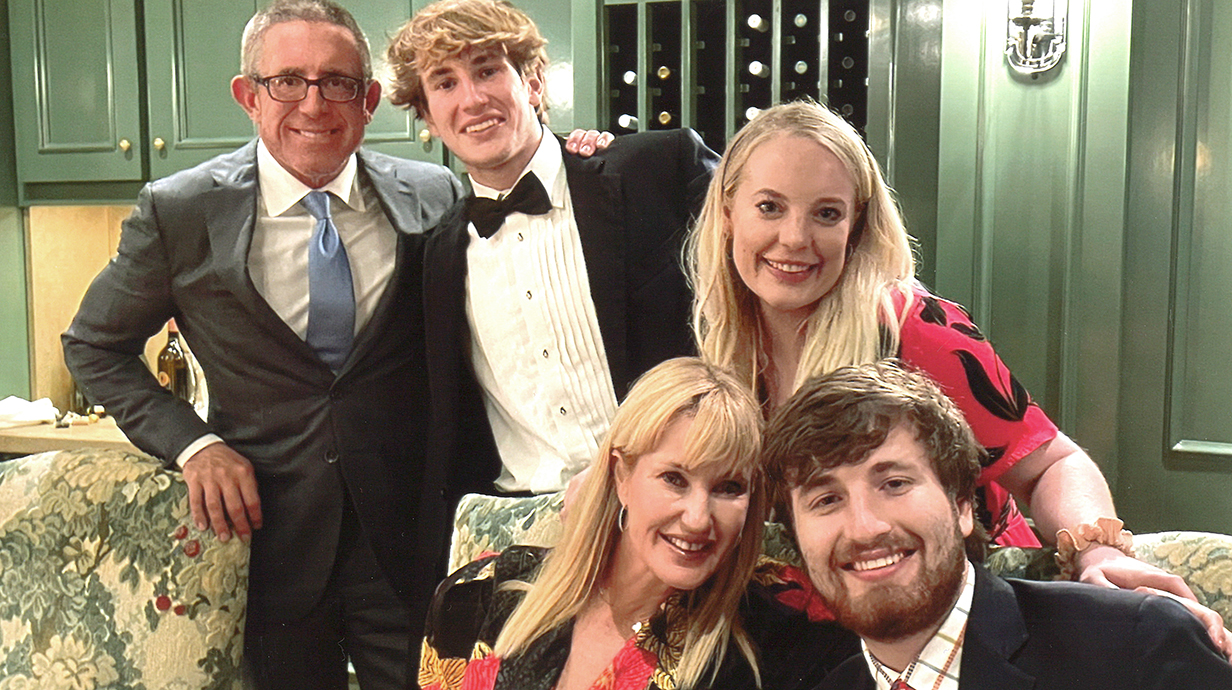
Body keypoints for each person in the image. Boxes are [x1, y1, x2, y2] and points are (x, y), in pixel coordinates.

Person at [61, 2, 465, 688]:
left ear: (368, 101)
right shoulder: (180, 211)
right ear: (248, 96)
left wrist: (578, 156)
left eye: (337, 81)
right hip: (268, 547)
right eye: (287, 81)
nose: (313, 102)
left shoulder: (435, 194)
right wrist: (194, 443)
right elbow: (94, 345)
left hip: (409, 544)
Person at [686, 99, 1197, 596]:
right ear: (729, 211)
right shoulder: (727, 346)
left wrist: (1097, 551)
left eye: (826, 213)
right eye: (770, 207)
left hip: (966, 604)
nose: (795, 237)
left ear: (855, 224)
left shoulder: (912, 326)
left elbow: (1051, 463)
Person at [385, 0, 720, 502]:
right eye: (445, 82)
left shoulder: (656, 172)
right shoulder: (433, 257)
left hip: (684, 500)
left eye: (487, 70)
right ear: (427, 117)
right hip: (532, 527)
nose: (472, 99)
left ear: (534, 82)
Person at [763, 361, 1232, 689]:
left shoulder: (1135, 644)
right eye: (826, 499)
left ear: (963, 504)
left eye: (894, 484)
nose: (864, 528)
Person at [417, 357, 858, 690]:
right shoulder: (475, 595)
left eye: (728, 488)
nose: (697, 518)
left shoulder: (781, 641)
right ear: (621, 476)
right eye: (674, 479)